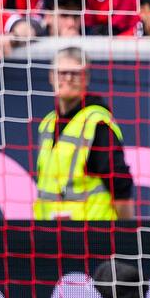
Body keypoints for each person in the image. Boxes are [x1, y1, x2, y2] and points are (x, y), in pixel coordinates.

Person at [35, 47, 134, 221]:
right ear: (51, 77)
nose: (68, 78)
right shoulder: (48, 123)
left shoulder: (97, 123)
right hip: (51, 235)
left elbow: (120, 185)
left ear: (85, 78)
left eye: (75, 73)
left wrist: (127, 234)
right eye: (62, 72)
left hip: (93, 235)